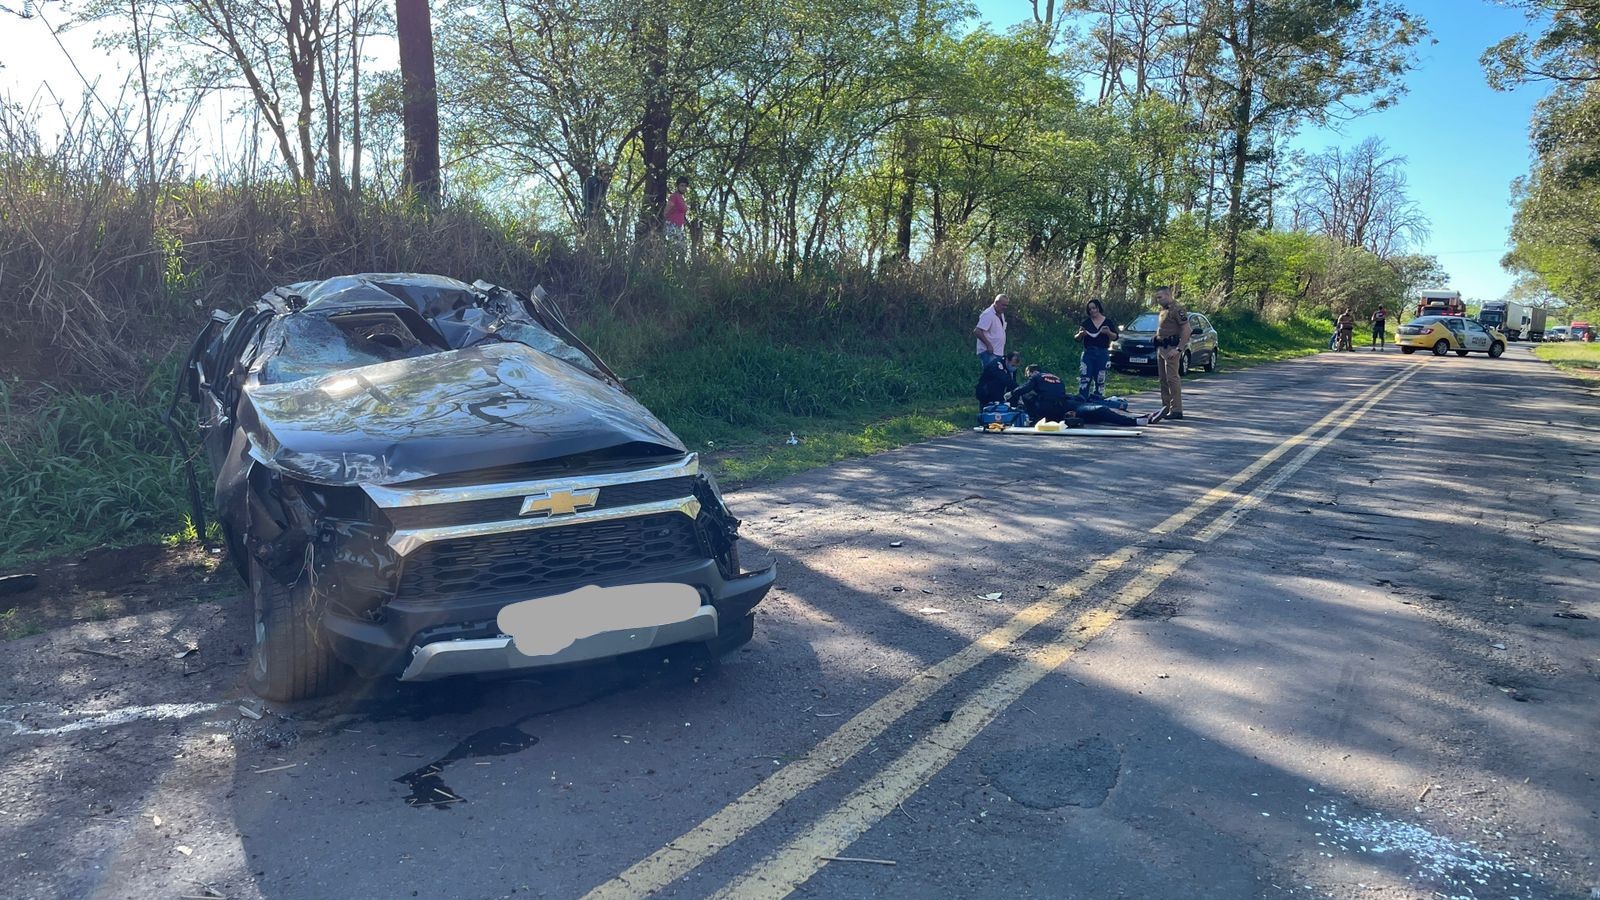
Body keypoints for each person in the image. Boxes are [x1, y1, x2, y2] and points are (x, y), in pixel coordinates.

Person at [1006, 365, 1163, 427]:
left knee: (1097, 411)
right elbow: (1061, 394)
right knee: (1098, 410)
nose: (1028, 376)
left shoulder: (1035, 378)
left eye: (1028, 374)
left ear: (1033, 372)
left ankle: (1139, 419)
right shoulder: (1055, 377)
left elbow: (1023, 390)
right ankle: (1139, 418)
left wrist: (1010, 395)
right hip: (1065, 405)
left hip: (1052, 410)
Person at [1154, 286, 1190, 420]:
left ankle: (1176, 410)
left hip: (1172, 348)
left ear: (1168, 295)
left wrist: (1179, 349)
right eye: (1156, 297)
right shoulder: (1163, 310)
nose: (1158, 300)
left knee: (1172, 379)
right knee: (1163, 380)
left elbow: (1187, 330)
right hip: (1161, 348)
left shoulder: (1177, 309)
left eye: (1160, 297)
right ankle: (1165, 408)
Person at [1075, 298, 1119, 401]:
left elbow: (1115, 337)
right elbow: (1077, 338)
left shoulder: (1107, 322)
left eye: (1094, 308)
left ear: (1098, 308)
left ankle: (1097, 400)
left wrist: (1108, 332)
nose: (1092, 311)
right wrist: (1081, 334)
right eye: (1090, 309)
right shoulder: (1086, 323)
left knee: (1100, 379)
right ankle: (1082, 400)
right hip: (1088, 353)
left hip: (1102, 353)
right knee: (1085, 378)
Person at [972, 293, 1009, 367]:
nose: (1005, 307)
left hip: (998, 352)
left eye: (1006, 305)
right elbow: (977, 331)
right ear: (996, 303)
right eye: (1003, 305)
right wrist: (988, 345)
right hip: (989, 352)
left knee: (996, 376)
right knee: (990, 376)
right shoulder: (988, 314)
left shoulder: (1000, 314)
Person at [665, 177, 690, 242]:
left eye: (685, 186)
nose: (684, 188)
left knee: (681, 248)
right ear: (678, 186)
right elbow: (667, 208)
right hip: (672, 225)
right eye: (682, 185)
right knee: (674, 245)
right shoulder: (674, 196)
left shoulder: (681, 198)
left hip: (679, 226)